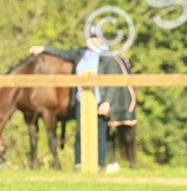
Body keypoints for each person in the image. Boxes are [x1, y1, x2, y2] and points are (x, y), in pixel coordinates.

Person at [30, 27, 122, 169]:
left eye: (94, 37)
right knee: (81, 132)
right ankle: (79, 163)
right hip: (82, 100)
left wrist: (107, 102)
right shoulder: (81, 53)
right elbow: (62, 53)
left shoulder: (108, 57)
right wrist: (43, 48)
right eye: (89, 37)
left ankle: (99, 164)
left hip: (100, 101)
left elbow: (113, 81)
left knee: (100, 134)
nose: (91, 41)